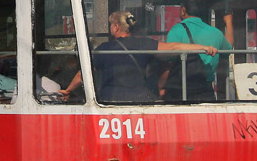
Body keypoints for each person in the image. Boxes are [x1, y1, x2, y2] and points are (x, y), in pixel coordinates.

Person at [61, 11, 216, 102]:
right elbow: (173, 47)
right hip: (140, 99)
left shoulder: (104, 49)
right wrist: (202, 47)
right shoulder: (144, 43)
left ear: (116, 27)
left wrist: (68, 90)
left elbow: (83, 74)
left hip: (110, 99)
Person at [162, 0, 233, 100]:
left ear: (183, 10)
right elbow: (228, 49)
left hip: (179, 91)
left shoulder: (176, 30)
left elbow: (169, 61)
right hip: (205, 91)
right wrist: (228, 22)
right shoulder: (216, 33)